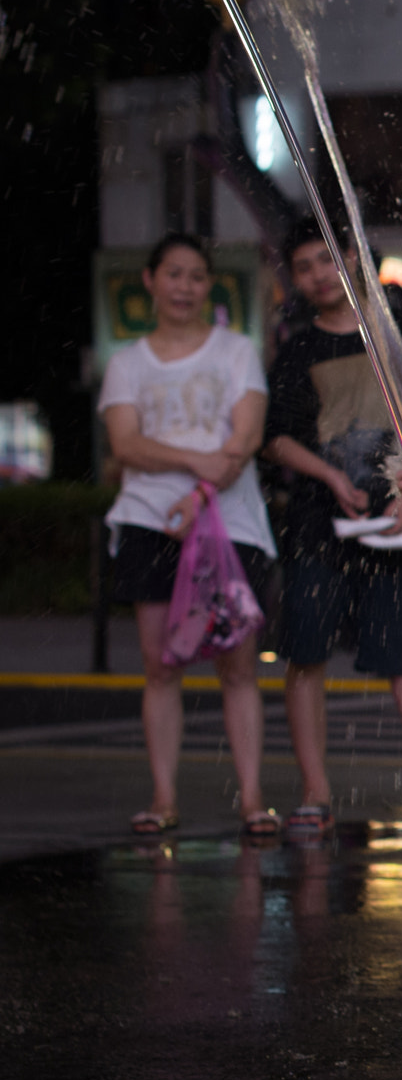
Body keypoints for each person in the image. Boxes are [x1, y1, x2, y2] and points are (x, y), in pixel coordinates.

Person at [263, 217, 402, 839]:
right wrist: (327, 476)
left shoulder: (400, 327)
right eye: (303, 267)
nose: (318, 275)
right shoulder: (299, 346)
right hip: (319, 522)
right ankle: (315, 792)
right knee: (305, 653)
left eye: (326, 258)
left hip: (395, 517)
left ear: (352, 256)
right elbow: (277, 437)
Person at [100, 233, 279, 836]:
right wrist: (198, 463)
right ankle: (163, 797)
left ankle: (253, 798)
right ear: (150, 281)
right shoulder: (126, 363)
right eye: (173, 274)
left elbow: (245, 439)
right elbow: (125, 446)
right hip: (148, 521)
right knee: (160, 667)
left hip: (232, 526)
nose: (184, 286)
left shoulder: (235, 352)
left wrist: (199, 491)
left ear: (209, 286)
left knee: (238, 668)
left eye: (197, 276)